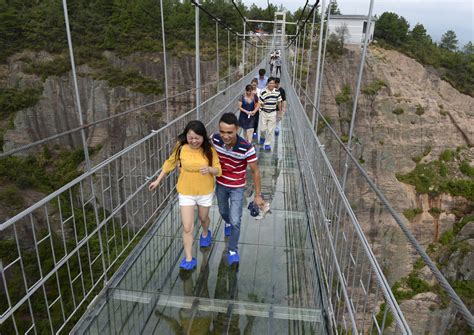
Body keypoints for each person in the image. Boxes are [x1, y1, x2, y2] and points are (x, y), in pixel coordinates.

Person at [149, 120, 221, 271]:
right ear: (186, 136)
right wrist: (158, 180)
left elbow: (218, 169)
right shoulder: (181, 147)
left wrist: (209, 169)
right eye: (191, 137)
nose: (194, 141)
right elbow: (170, 162)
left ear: (203, 137)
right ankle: (189, 258)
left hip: (204, 190)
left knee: (203, 218)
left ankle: (206, 233)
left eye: (197, 138)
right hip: (186, 191)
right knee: (187, 227)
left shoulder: (210, 150)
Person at [211, 113, 264, 265]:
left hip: (237, 187)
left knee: (235, 219)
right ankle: (227, 222)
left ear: (237, 130)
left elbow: (255, 171)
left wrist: (258, 195)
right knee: (223, 212)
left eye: (229, 132)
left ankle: (232, 249)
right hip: (220, 183)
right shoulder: (215, 139)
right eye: (222, 131)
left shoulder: (246, 148)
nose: (225, 136)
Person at [258, 77, 282, 151]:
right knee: (262, 129)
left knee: (270, 130)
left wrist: (280, 112)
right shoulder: (263, 92)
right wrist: (260, 109)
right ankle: (262, 137)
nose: (272, 84)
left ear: (275, 84)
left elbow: (279, 102)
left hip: (272, 113)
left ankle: (267, 144)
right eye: (270, 83)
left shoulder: (277, 92)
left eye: (273, 83)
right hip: (264, 112)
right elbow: (260, 102)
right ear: (267, 83)